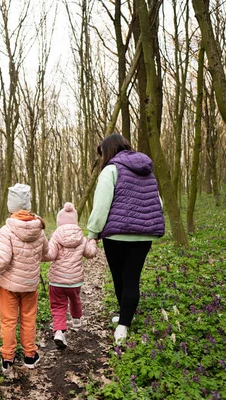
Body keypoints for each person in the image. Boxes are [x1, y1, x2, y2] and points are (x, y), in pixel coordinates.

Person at [86, 133, 165, 345]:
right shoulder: (147, 171)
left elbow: (101, 206)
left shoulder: (111, 170)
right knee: (132, 277)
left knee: (120, 278)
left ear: (108, 150)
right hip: (143, 234)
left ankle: (123, 326)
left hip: (117, 234)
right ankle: (125, 318)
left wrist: (93, 234)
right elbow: (158, 202)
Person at [0, 183, 48, 372]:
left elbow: (2, 261)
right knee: (28, 319)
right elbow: (46, 254)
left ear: (10, 206)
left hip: (8, 286)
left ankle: (8, 358)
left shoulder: (6, 230)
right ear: (28, 204)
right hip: (30, 285)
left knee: (8, 321)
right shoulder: (39, 229)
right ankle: (30, 355)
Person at [44, 202, 98, 349]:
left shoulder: (56, 236)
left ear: (59, 222)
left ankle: (59, 331)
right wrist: (93, 242)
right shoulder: (81, 236)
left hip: (56, 281)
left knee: (58, 306)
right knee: (75, 299)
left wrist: (40, 251)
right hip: (74, 281)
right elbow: (90, 253)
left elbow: (50, 255)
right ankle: (76, 319)